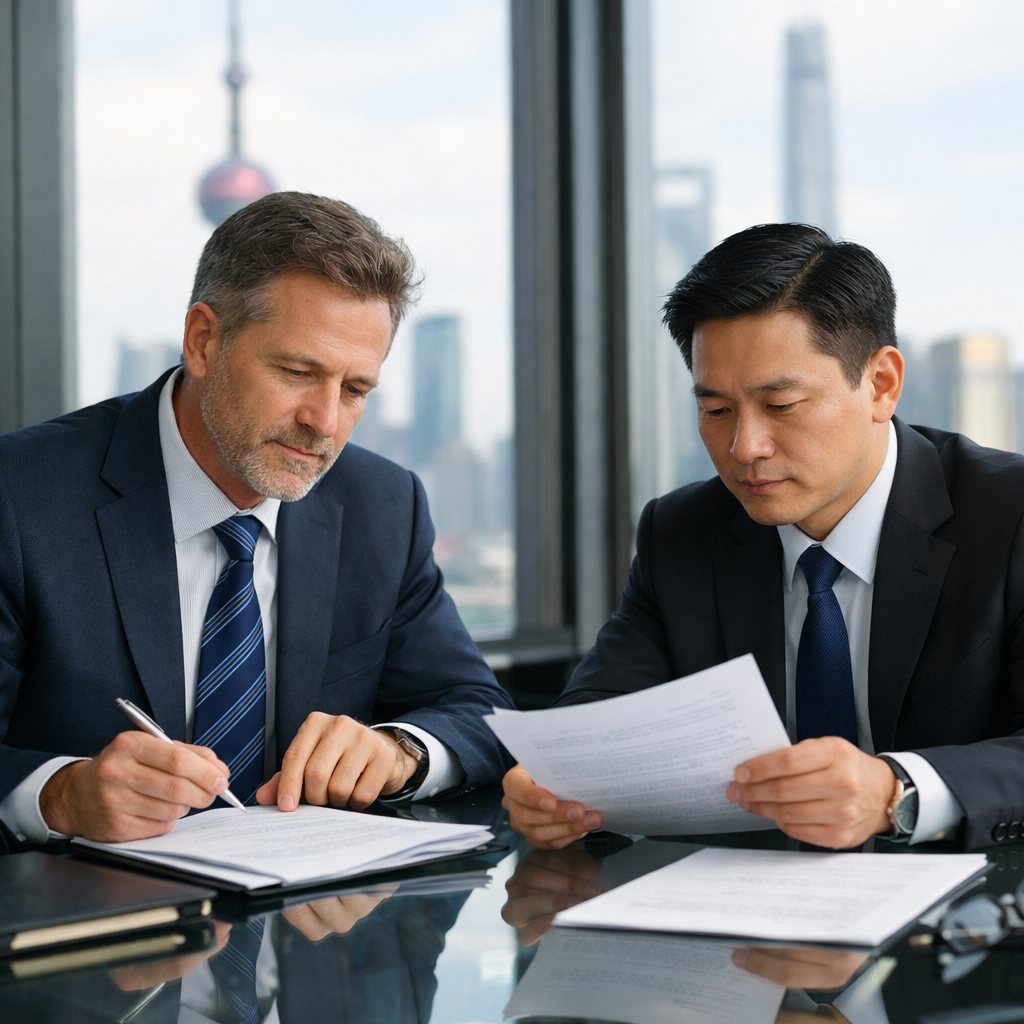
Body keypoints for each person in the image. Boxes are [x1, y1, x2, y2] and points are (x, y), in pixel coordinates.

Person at [0, 191, 513, 845]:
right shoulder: (21, 496)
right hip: (85, 925)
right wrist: (60, 796)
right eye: (298, 372)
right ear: (204, 341)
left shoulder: (383, 506)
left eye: (355, 390)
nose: (324, 423)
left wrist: (399, 751)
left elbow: (480, 710)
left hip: (310, 928)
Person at [504, 222, 1024, 852]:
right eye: (716, 410)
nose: (743, 448)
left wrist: (897, 792)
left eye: (781, 406)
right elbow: (599, 716)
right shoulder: (683, 533)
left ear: (881, 385)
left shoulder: (1007, 515)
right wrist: (550, 785)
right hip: (747, 924)